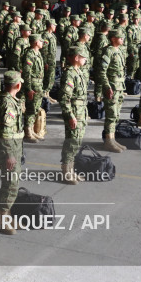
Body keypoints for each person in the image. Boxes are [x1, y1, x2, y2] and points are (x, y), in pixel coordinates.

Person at [0, 71, 24, 235]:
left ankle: (7, 213)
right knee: (10, 184)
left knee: (13, 183)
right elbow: (5, 132)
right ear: (17, 85)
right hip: (9, 149)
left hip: (15, 147)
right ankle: (2, 216)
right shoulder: (7, 104)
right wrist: (10, 154)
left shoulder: (12, 101)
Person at [58, 48, 88, 184]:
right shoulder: (70, 74)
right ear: (76, 57)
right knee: (71, 142)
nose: (85, 59)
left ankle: (71, 170)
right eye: (83, 57)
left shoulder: (78, 72)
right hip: (74, 113)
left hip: (81, 112)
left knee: (76, 142)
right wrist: (70, 116)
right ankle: (66, 172)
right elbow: (65, 98)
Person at [99, 28, 128, 152]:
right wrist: (107, 86)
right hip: (112, 88)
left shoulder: (119, 50)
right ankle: (108, 141)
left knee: (116, 115)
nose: (122, 39)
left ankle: (112, 138)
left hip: (120, 87)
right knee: (111, 115)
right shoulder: (109, 51)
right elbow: (101, 71)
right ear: (113, 39)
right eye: (119, 37)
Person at [21, 34, 45, 143]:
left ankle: (32, 130)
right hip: (33, 85)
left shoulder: (37, 53)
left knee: (35, 108)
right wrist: (29, 88)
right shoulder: (30, 54)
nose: (42, 43)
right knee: (31, 109)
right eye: (41, 41)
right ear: (36, 42)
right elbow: (27, 73)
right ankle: (28, 132)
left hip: (38, 84)